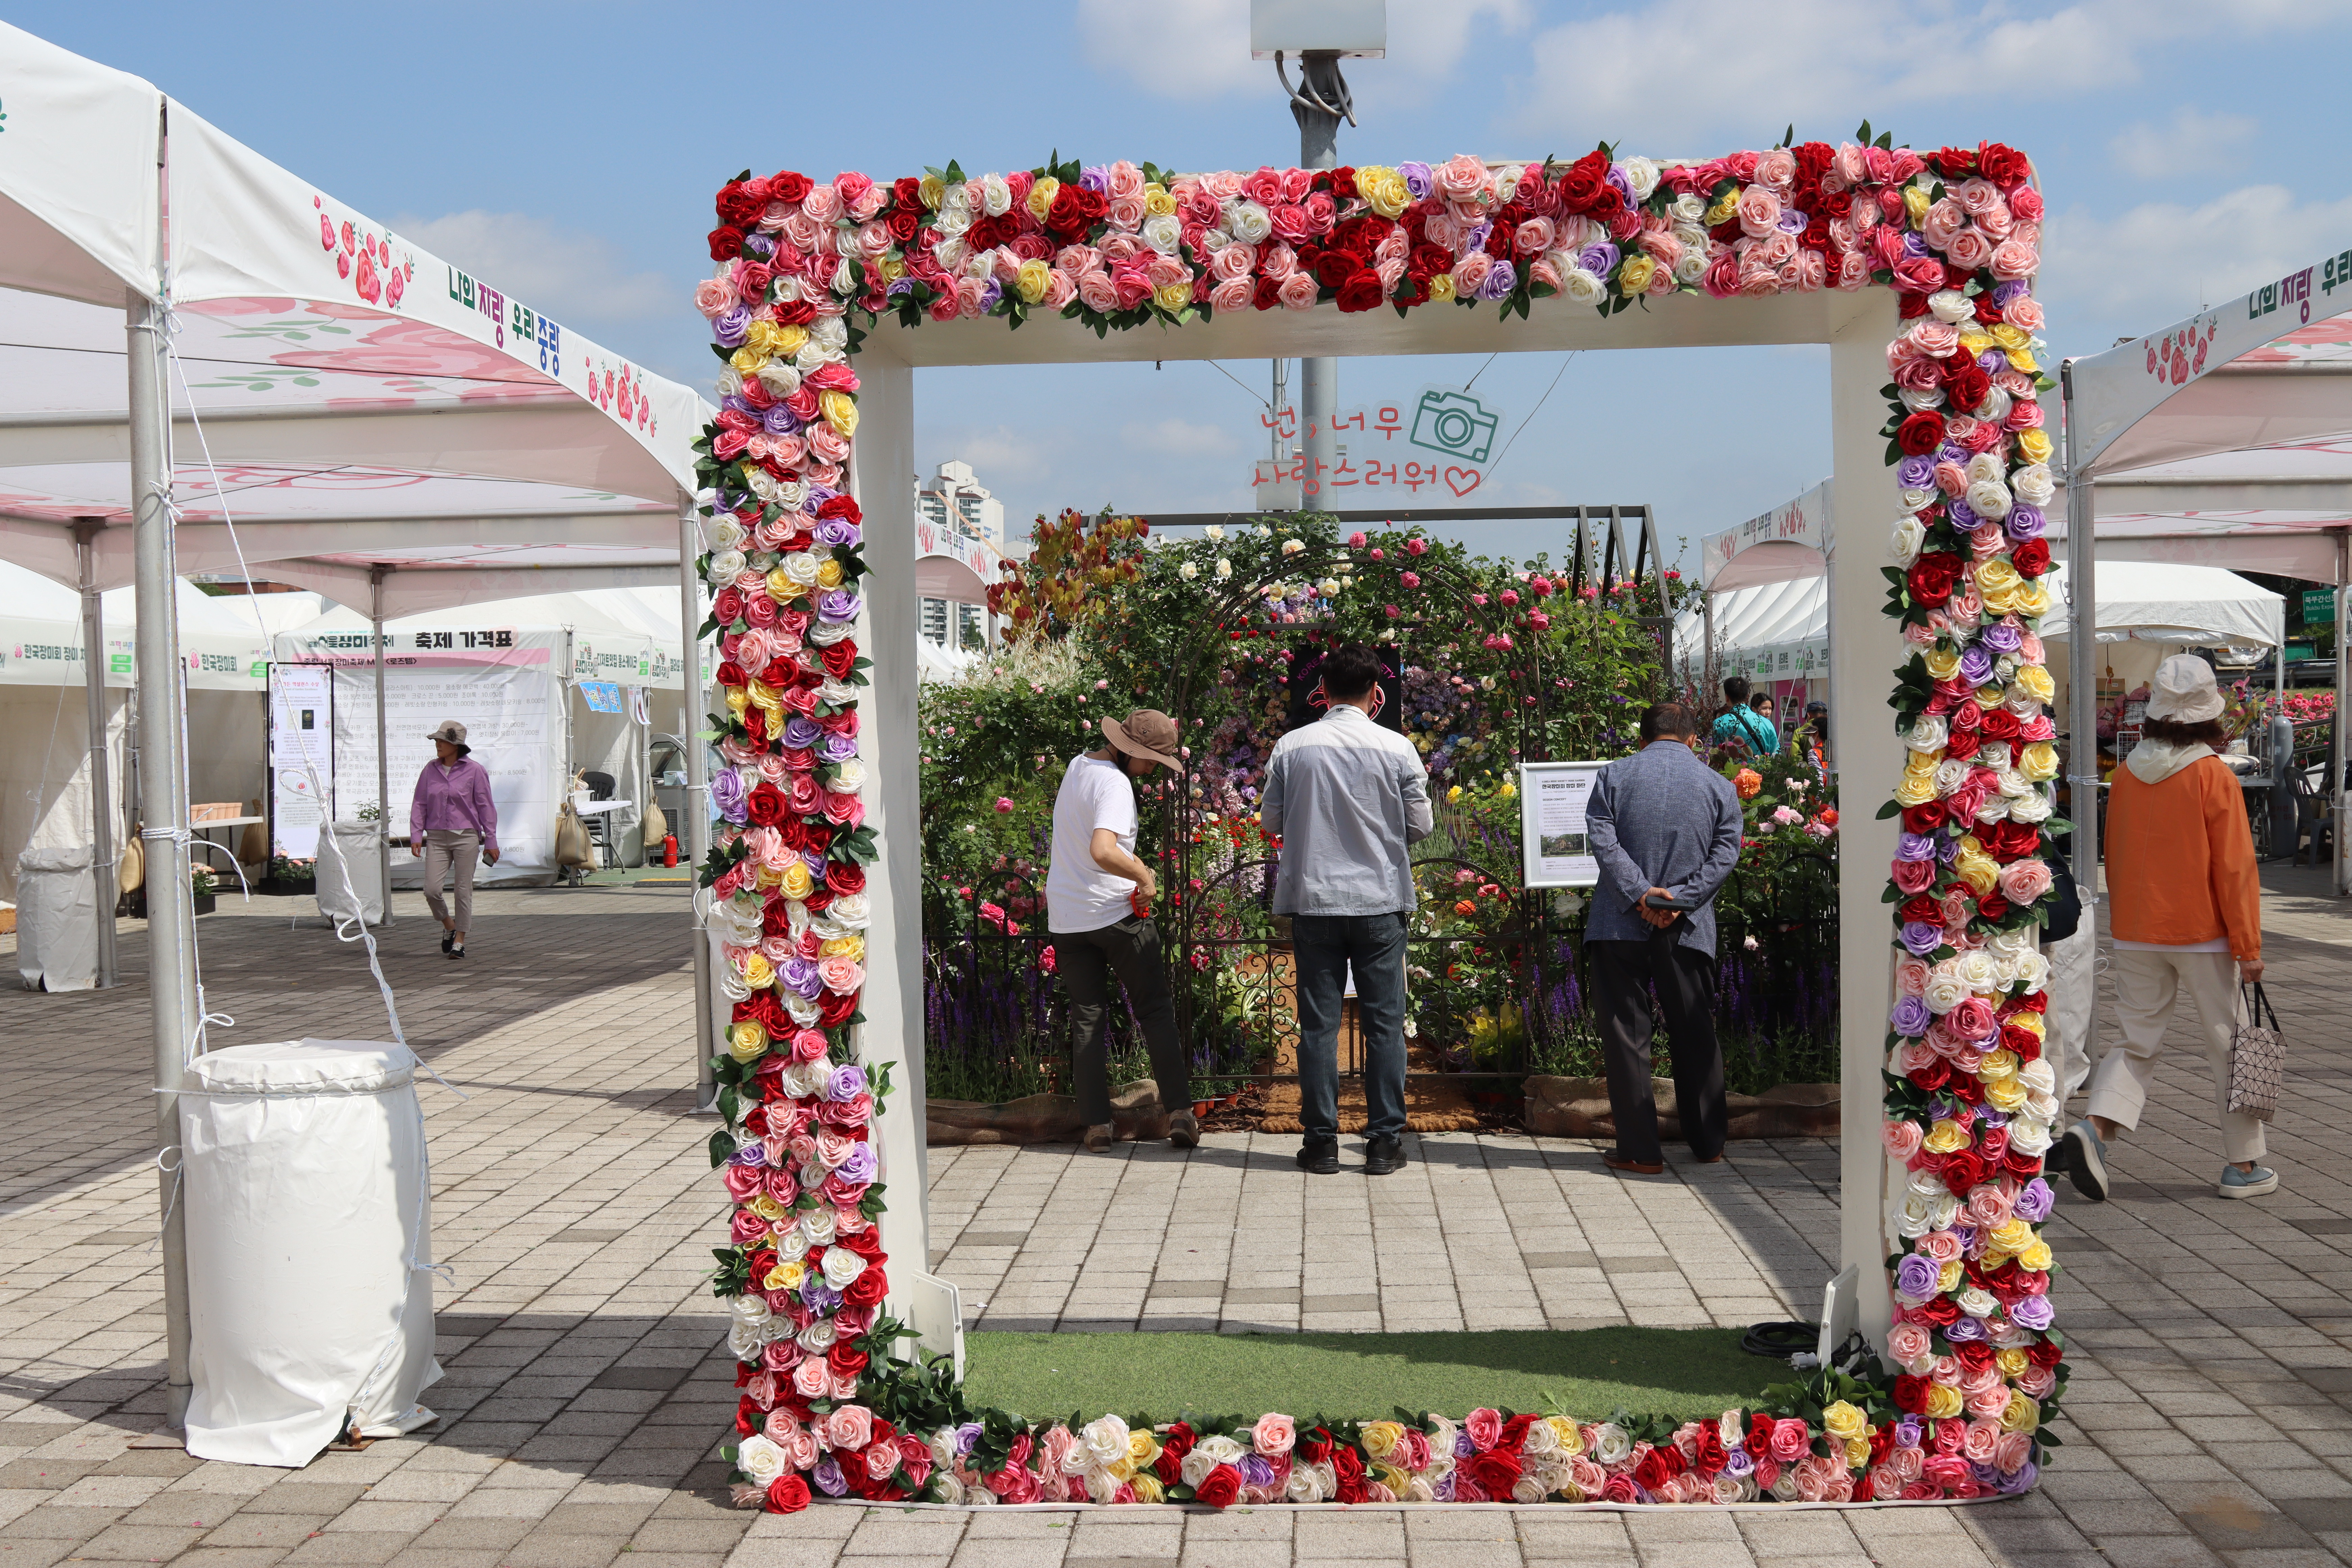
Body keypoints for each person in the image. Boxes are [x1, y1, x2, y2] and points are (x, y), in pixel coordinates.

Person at [2064, 655, 2272, 1202]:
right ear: (2210, 715)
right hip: (2204, 931)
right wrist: (2248, 945)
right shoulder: (2213, 775)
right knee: (2228, 1045)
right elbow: (2235, 867)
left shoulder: (2126, 776)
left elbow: (2115, 854)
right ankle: (2244, 1164)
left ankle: (2096, 1127)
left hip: (2137, 928)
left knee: (2137, 1040)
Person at [1260, 643, 1431, 1176]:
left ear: (1323, 691)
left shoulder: (1292, 747)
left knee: (1318, 1028)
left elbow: (1271, 822)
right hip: (1380, 900)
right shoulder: (1398, 748)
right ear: (1376, 693)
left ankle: (1321, 1145)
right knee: (1385, 1026)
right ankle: (1383, 1143)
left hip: (1315, 902)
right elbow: (1422, 825)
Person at [1584, 701, 1744, 1174]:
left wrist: (1642, 894)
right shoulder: (1719, 786)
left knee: (1627, 1036)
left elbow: (1603, 840)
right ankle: (1708, 1143)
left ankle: (1640, 1150)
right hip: (1687, 927)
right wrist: (1679, 900)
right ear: (1694, 740)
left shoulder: (1613, 776)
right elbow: (1725, 853)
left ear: (1642, 739)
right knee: (1694, 1031)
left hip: (1618, 922)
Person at [1044, 709, 1199, 1154]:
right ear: (1129, 750)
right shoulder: (1115, 783)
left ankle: (1097, 1126)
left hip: (1069, 918)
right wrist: (1144, 877)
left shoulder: (1079, 766)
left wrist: (1133, 865)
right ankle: (1180, 1114)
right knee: (1155, 1010)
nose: (1151, 770)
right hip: (1115, 915)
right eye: (1151, 760)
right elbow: (1103, 849)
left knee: (1088, 1018)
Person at [409, 720, 498, 959]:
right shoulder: (430, 770)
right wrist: (416, 834)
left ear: (456, 745)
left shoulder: (475, 771)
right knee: (431, 890)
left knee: (463, 890)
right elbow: (420, 803)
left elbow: (486, 806)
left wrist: (491, 839)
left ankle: (460, 940)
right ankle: (449, 925)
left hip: (466, 836)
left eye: (442, 741)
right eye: (437, 741)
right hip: (437, 837)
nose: (438, 745)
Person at [1711, 675, 1776, 757]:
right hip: (1762, 766)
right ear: (1748, 696)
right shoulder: (1767, 723)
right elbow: (1776, 754)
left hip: (1731, 766)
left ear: (1727, 698)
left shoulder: (1719, 723)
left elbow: (1716, 755)